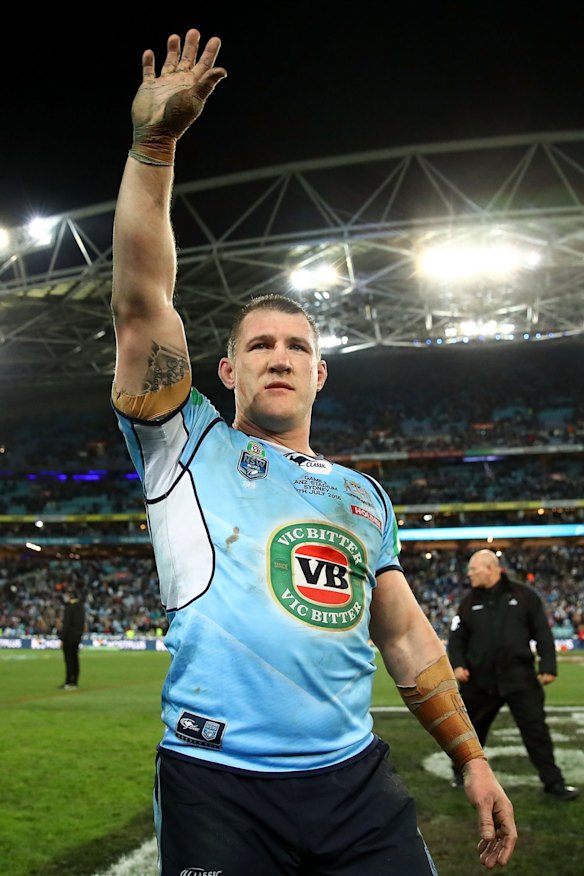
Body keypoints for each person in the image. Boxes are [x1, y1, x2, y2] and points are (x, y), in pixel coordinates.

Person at [109, 27, 518, 874]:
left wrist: (474, 759)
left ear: (321, 373)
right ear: (226, 370)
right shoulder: (183, 446)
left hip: (354, 783)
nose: (279, 357)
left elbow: (404, 638)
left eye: (296, 346)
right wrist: (154, 150)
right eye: (260, 346)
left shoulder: (363, 497)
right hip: (217, 783)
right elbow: (143, 302)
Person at [448, 548, 579, 801]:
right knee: (470, 734)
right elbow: (456, 640)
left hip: (520, 679)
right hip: (480, 682)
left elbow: (542, 632)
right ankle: (460, 774)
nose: (469, 575)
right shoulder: (467, 603)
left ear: (490, 568)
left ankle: (554, 784)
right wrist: (458, 664)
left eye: (473, 570)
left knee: (536, 732)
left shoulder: (525, 596)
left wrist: (549, 666)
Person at [57, 585, 85, 690]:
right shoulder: (81, 607)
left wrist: (62, 638)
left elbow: (67, 624)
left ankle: (69, 681)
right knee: (75, 659)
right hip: (77, 637)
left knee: (69, 660)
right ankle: (75, 681)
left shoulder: (70, 607)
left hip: (69, 637)